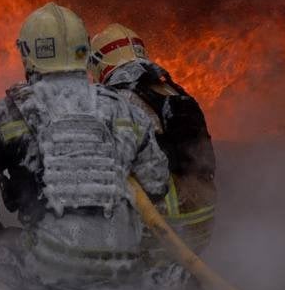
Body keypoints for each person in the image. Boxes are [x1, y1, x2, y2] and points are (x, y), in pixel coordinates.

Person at [0, 3, 170, 290]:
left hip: (50, 266)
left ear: (28, 54)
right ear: (84, 51)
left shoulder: (5, 113)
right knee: (119, 264)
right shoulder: (124, 109)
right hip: (123, 264)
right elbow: (157, 184)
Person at [86, 23, 217, 254]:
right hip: (203, 220)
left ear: (100, 64)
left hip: (162, 225)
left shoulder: (120, 99)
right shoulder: (173, 92)